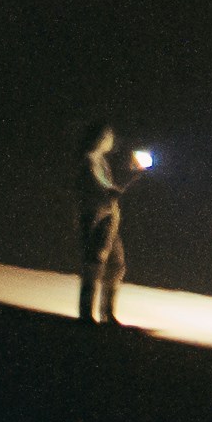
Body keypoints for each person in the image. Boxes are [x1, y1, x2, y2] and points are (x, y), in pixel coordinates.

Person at [76, 121, 135, 328]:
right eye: (108, 136)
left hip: (109, 220)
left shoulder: (99, 161)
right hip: (98, 219)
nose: (111, 139)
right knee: (95, 264)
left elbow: (106, 186)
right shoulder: (88, 161)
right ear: (101, 138)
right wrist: (110, 191)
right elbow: (97, 187)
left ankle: (107, 313)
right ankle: (88, 314)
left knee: (116, 265)